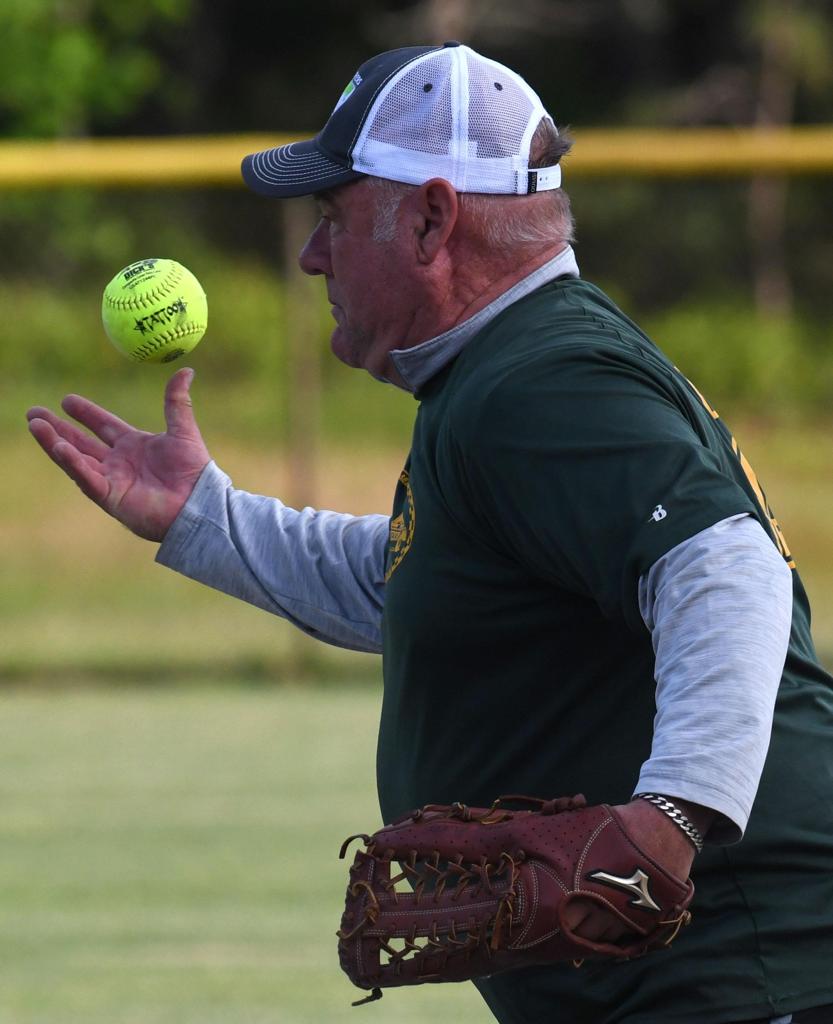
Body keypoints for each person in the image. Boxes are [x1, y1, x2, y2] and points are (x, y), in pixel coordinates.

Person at [27, 42, 833, 1024]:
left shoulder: (542, 384)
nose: (311, 254)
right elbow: (423, 584)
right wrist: (205, 517)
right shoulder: (509, 371)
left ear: (430, 219)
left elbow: (727, 569)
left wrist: (672, 814)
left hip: (743, 980)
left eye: (332, 216)